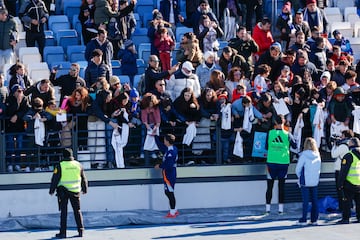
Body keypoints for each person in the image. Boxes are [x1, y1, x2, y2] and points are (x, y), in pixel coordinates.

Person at [49, 148, 88, 238]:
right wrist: (85, 188)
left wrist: (52, 190)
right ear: (72, 155)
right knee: (77, 211)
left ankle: (63, 233)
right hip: (75, 191)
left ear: (63, 156)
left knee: (64, 212)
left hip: (63, 191)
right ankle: (81, 230)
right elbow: (83, 178)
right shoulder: (78, 165)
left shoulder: (60, 165)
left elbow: (55, 179)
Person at [265, 114, 295, 214]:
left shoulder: (270, 133)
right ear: (283, 122)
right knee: (281, 187)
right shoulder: (287, 134)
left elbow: (266, 146)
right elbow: (294, 145)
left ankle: (267, 209)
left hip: (271, 162)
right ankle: (280, 210)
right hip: (283, 163)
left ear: (275, 123)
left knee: (270, 186)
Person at [295, 137, 322, 226]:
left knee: (305, 201)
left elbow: (298, 169)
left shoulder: (303, 155)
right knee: (315, 200)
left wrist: (299, 177)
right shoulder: (318, 155)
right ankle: (314, 219)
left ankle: (303, 219)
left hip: (305, 180)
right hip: (314, 180)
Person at [154, 133, 179, 218]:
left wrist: (160, 166)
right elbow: (161, 146)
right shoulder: (170, 148)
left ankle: (173, 212)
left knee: (169, 192)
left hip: (170, 174)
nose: (163, 141)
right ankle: (174, 210)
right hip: (168, 173)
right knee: (168, 192)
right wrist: (155, 136)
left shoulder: (171, 151)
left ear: (168, 141)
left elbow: (169, 164)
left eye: (165, 140)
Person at [337, 137, 360, 224]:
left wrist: (340, 184)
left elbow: (343, 171)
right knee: (359, 202)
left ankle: (346, 218)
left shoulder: (349, 155)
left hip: (350, 183)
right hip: (359, 183)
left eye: (349, 142)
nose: (348, 143)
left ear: (352, 144)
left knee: (346, 201)